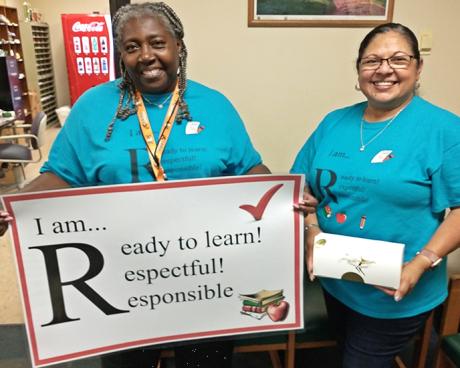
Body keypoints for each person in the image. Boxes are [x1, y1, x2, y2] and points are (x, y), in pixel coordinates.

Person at [0, 2, 316, 367]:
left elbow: (247, 168)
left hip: (206, 276)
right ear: (121, 54)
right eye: (132, 47)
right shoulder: (93, 108)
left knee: (204, 362)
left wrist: (286, 198)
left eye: (157, 43)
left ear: (178, 45)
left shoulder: (214, 106)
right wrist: (14, 204)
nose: (146, 56)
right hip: (123, 278)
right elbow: (61, 174)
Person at [291, 22, 460, 367]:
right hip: (337, 278)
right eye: (372, 61)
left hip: (397, 289)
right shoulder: (334, 122)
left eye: (398, 59)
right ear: (359, 70)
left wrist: (421, 263)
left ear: (418, 67)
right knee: (344, 350)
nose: (384, 69)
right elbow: (302, 188)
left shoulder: (444, 130)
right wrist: (311, 227)